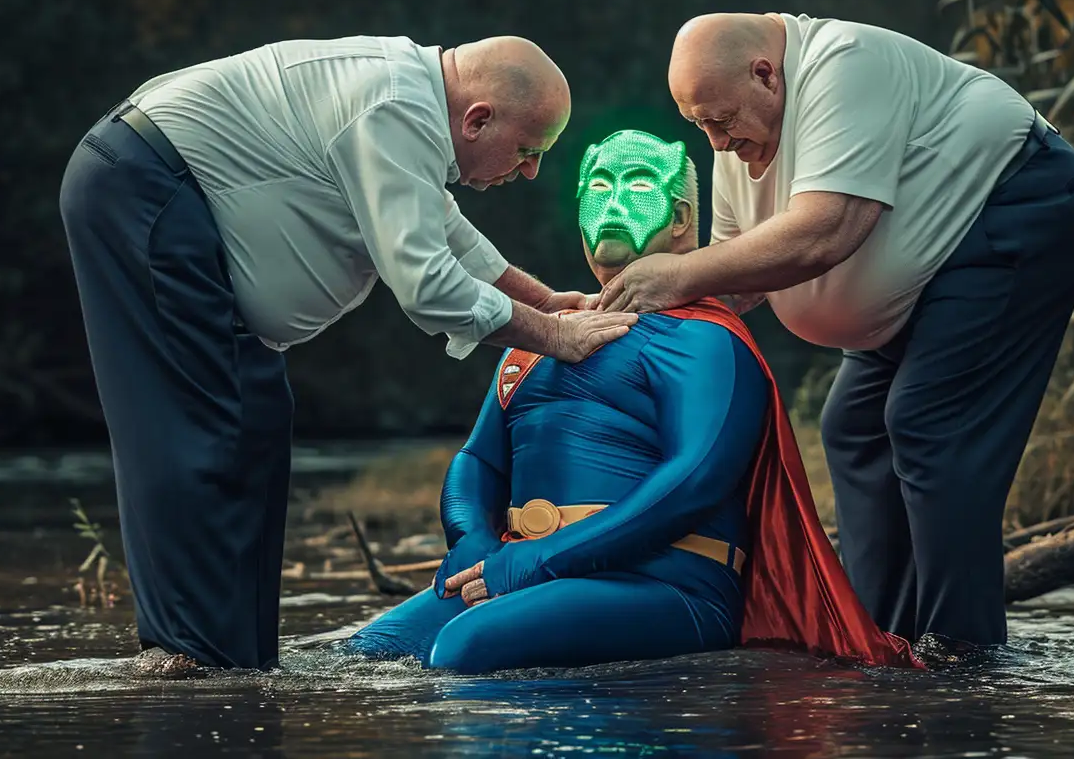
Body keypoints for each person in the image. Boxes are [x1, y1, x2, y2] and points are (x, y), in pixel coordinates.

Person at [58, 36, 631, 674]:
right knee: (203, 427)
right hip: (144, 188)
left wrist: (547, 301)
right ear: (477, 119)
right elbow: (429, 286)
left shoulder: (409, 111)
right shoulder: (393, 107)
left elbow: (443, 231)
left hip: (156, 187)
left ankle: (236, 659)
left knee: (257, 417)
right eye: (529, 152)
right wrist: (555, 337)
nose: (530, 171)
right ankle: (188, 656)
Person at [594, 12, 1074, 647]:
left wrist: (674, 276)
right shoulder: (739, 140)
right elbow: (735, 277)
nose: (716, 142)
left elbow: (824, 230)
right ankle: (878, 640)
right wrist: (615, 316)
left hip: (1019, 212)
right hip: (927, 267)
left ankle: (963, 655)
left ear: (765, 74)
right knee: (852, 428)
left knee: (927, 424)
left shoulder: (847, 63)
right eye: (701, 125)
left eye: (721, 121)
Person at [347, 129, 915, 673]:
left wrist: (538, 559)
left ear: (681, 218)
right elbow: (479, 460)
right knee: (370, 653)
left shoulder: (704, 338)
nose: (613, 201)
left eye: (638, 185)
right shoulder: (543, 334)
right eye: (597, 187)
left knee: (465, 645)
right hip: (525, 570)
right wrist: (472, 538)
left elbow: (695, 479)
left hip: (666, 583)